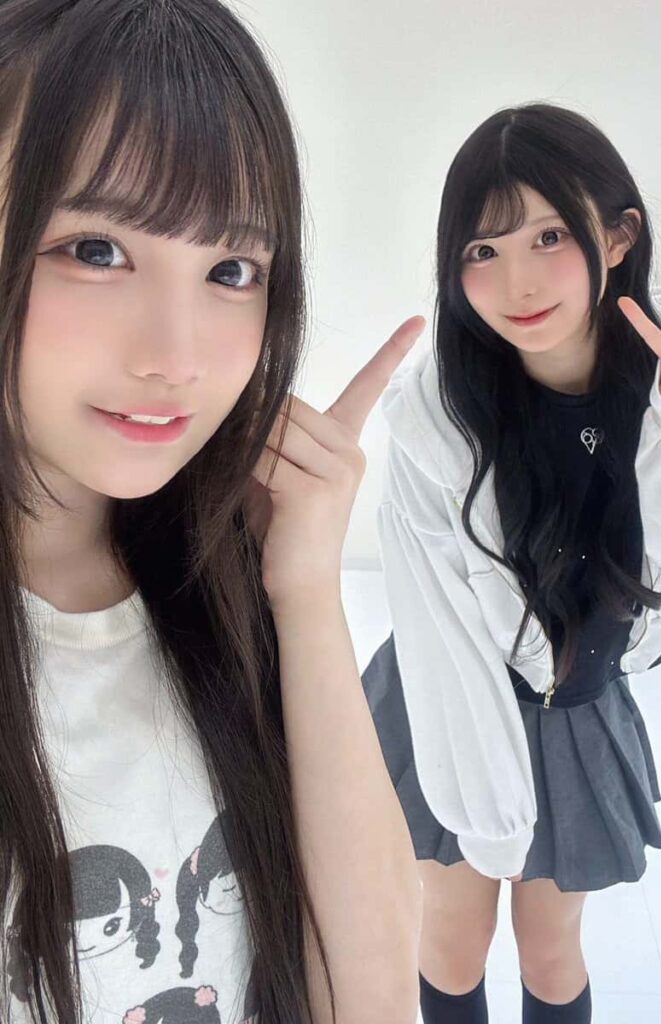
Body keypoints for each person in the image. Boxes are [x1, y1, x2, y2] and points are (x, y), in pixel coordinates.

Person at [0, 1, 425, 1021]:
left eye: (232, 270)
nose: (176, 356)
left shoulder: (226, 581)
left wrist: (306, 593)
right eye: (95, 248)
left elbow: (371, 998)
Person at [361, 102, 661, 1024]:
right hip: (451, 701)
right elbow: (435, 620)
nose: (519, 281)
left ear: (618, 237)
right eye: (483, 249)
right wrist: (487, 811)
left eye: (549, 235)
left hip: (575, 705)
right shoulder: (434, 416)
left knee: (551, 952)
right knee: (452, 939)